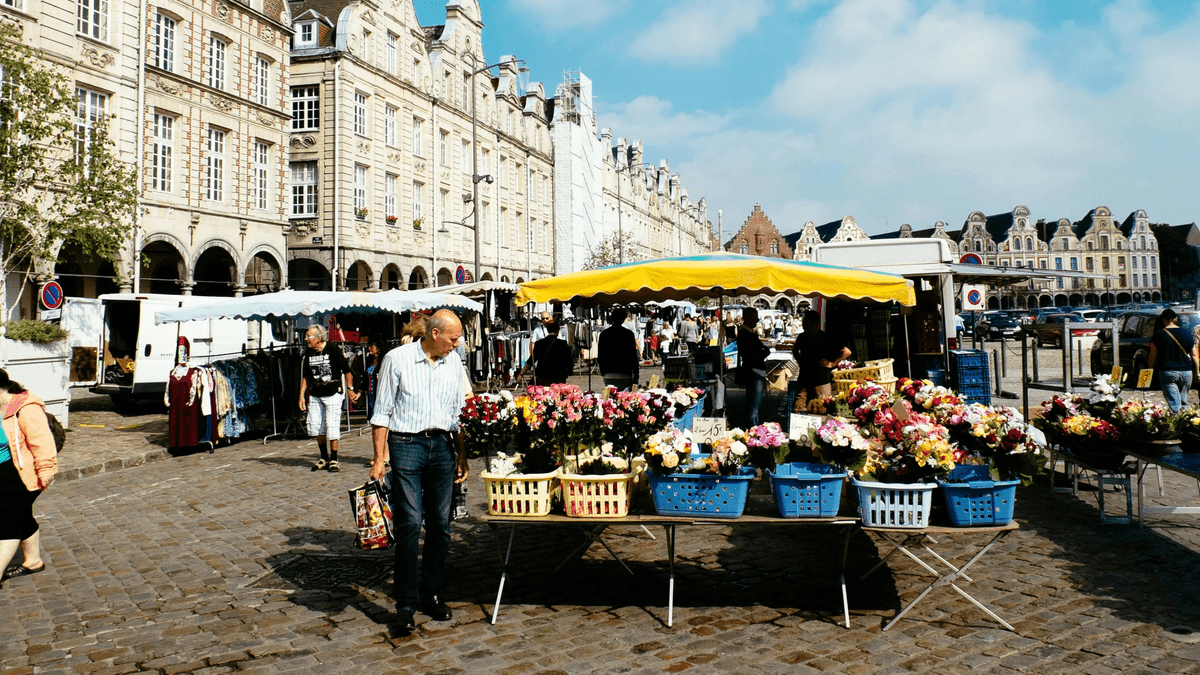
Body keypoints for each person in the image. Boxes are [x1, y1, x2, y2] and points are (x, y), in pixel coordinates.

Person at [369, 310, 471, 633]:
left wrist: (462, 455)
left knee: (441, 524)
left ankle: (433, 592)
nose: (457, 345)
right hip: (406, 445)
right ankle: (406, 604)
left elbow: (460, 411)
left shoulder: (453, 363)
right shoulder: (397, 360)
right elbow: (382, 411)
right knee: (410, 523)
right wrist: (378, 459)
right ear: (436, 334)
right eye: (453, 339)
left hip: (442, 446)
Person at [0, 369, 57, 587]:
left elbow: (42, 442)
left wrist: (46, 470)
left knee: (8, 521)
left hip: (24, 474)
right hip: (3, 472)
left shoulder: (26, 408)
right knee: (21, 515)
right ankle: (33, 561)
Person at [299, 325, 358, 472]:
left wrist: (350, 390)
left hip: (333, 392)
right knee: (316, 425)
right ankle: (323, 457)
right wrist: (301, 395)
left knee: (332, 425)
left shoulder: (333, 350)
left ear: (318, 338)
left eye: (308, 336)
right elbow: (306, 376)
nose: (306, 339)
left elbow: (347, 371)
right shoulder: (309, 352)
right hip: (315, 393)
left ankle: (334, 458)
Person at [791, 311, 852, 412]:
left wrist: (832, 363)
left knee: (822, 409)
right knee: (798, 410)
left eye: (805, 322)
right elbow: (795, 350)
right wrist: (800, 361)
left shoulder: (826, 338)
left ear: (814, 323)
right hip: (803, 381)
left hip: (821, 381)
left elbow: (846, 352)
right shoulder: (801, 337)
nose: (802, 325)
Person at [1149, 309, 1198, 412]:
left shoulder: (1159, 335)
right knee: (1183, 401)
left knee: (1175, 404)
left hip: (1168, 372)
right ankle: (1185, 422)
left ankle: (1178, 424)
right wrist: (1197, 371)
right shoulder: (1187, 333)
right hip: (1186, 372)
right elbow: (1194, 355)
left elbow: (1153, 355)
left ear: (1163, 320)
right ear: (1175, 319)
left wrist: (1149, 369)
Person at [736, 307, 772, 427]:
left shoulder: (749, 332)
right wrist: (764, 352)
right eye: (755, 316)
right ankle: (753, 432)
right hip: (754, 372)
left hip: (755, 371)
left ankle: (752, 430)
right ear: (748, 318)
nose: (757, 319)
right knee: (753, 408)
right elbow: (751, 355)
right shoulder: (745, 334)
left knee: (752, 405)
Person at [517, 319, 574, 385]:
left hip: (542, 379)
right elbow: (570, 362)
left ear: (547, 330)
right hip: (558, 379)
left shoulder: (539, 343)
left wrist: (521, 375)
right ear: (558, 330)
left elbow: (530, 361)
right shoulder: (562, 344)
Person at [599, 308, 640, 390]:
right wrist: (636, 375)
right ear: (623, 319)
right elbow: (633, 355)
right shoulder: (629, 334)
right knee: (625, 398)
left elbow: (601, 355)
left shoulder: (604, 334)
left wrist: (603, 371)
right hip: (625, 372)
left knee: (611, 398)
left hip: (609, 372)